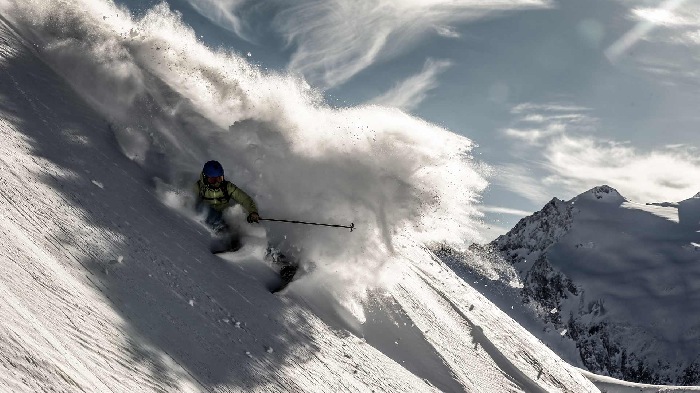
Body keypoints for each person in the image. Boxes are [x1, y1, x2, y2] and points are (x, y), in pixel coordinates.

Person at [194, 160, 260, 234]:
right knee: (203, 208)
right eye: (213, 180)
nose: (217, 183)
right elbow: (191, 199)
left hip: (223, 218)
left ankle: (251, 238)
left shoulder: (227, 187)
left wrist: (253, 211)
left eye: (219, 179)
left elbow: (244, 198)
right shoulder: (199, 187)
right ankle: (221, 230)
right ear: (205, 178)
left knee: (239, 223)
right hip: (208, 217)